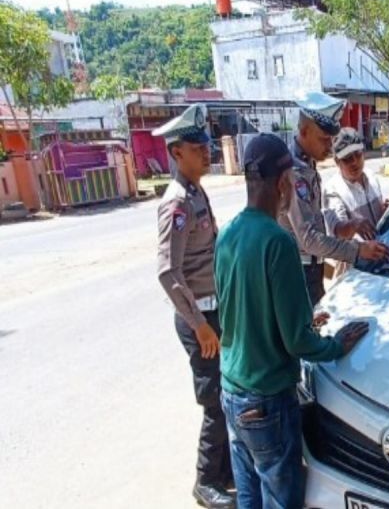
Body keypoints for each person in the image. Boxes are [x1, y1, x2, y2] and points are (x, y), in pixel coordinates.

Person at [215, 133, 369, 509]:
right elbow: (299, 344)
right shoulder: (279, 242)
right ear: (284, 182)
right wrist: (336, 344)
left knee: (249, 495)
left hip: (232, 392)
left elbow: (237, 311)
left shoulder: (229, 234)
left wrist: (302, 318)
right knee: (281, 498)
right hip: (266, 399)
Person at [154, 104, 234, 509]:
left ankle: (222, 470)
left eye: (206, 145)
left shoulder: (195, 190)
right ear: (176, 153)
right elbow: (168, 274)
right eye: (196, 146)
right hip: (198, 318)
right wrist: (201, 326)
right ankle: (205, 480)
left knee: (225, 394)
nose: (206, 152)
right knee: (214, 399)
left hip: (212, 310)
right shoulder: (177, 203)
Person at [279, 91, 389, 305]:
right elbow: (310, 239)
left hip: (313, 269)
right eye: (324, 139)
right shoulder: (294, 174)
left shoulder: (308, 167)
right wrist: (358, 250)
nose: (330, 147)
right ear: (304, 132)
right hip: (296, 273)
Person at [323, 127, 389, 278]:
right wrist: (353, 225)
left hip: (382, 262)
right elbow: (337, 231)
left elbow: (379, 218)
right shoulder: (332, 190)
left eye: (357, 155)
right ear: (337, 161)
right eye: (347, 159)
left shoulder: (372, 177)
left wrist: (387, 210)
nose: (354, 162)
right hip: (354, 271)